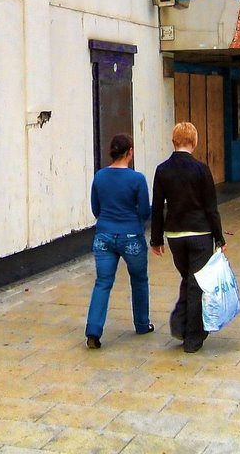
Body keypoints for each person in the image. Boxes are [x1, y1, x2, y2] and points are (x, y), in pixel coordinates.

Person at [151, 122, 226, 353]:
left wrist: (156, 239)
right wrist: (219, 237)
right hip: (200, 233)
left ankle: (181, 322)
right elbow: (211, 207)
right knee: (196, 284)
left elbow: (157, 208)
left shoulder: (162, 170)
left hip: (175, 235)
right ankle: (192, 336)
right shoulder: (201, 170)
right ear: (194, 141)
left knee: (188, 278)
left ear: (173, 141)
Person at [84, 133, 155, 349]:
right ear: (130, 152)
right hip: (131, 236)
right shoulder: (137, 179)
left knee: (103, 282)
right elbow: (144, 211)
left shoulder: (100, 176)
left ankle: (93, 331)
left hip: (103, 235)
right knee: (139, 279)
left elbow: (96, 209)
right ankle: (142, 324)